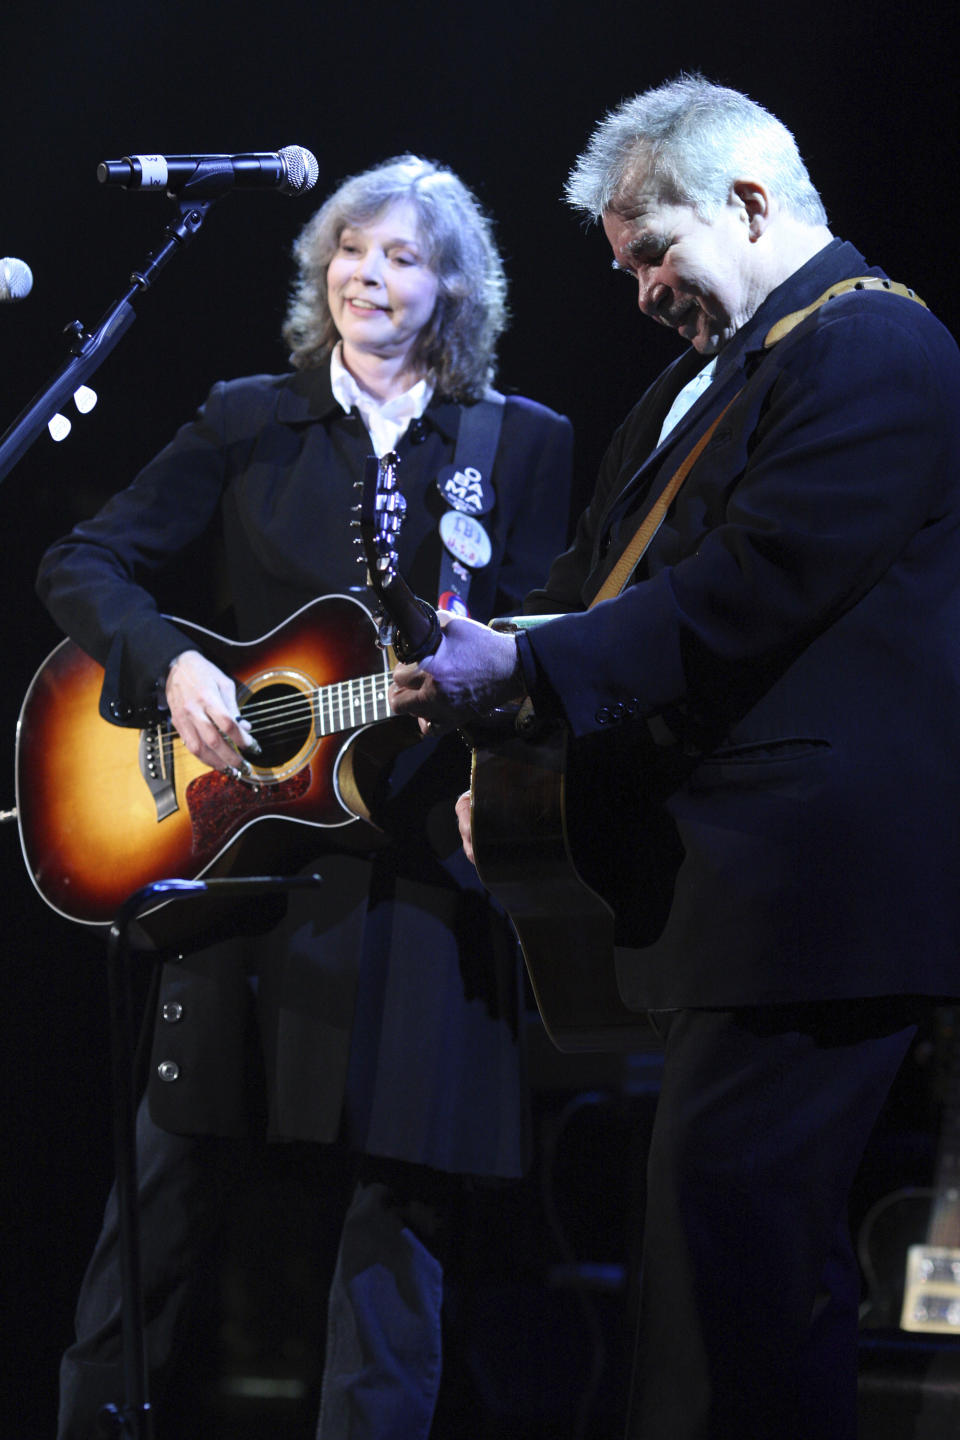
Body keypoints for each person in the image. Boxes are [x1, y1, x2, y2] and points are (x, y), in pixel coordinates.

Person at [389, 77, 960, 1439]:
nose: (640, 287)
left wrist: (529, 671)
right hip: (731, 899)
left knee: (745, 1268)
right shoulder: (702, 379)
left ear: (753, 201)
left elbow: (758, 582)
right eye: (626, 264)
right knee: (711, 1263)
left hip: (820, 897)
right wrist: (507, 724)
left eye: (653, 251)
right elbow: (600, 590)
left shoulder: (881, 350)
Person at [38, 154, 573, 1439]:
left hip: (423, 889)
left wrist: (488, 707)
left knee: (397, 1241)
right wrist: (168, 664)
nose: (366, 276)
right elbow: (83, 559)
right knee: (156, 1223)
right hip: (239, 865)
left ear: (451, 287)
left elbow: (556, 645)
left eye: (399, 257)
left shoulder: (524, 442)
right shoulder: (245, 419)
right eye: (349, 250)